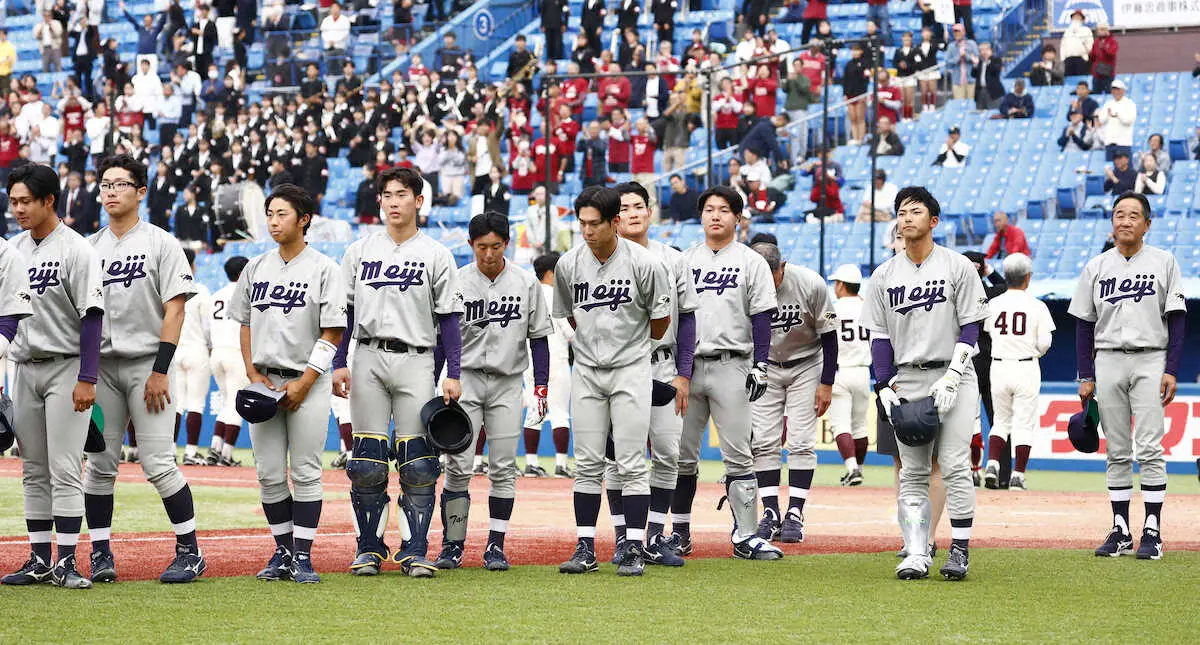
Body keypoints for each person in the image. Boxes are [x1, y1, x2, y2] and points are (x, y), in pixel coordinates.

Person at [81, 154, 204, 585]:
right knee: (99, 465)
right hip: (103, 368)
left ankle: (189, 551)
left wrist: (160, 370)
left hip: (146, 364)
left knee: (158, 463)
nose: (111, 191)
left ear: (141, 191)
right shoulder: (88, 246)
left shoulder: (161, 243)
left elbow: (175, 311)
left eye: (120, 183)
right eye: (105, 184)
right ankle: (99, 553)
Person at [335, 167, 463, 579]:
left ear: (418, 201)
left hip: (417, 359)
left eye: (401, 194)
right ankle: (368, 548)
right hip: (368, 355)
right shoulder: (358, 251)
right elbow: (345, 313)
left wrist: (452, 372)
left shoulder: (436, 254)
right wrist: (339, 362)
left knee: (420, 463)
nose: (393, 201)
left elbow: (449, 321)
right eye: (386, 194)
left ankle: (415, 550)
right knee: (366, 462)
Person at [862, 185, 987, 581]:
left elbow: (972, 325)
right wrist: (883, 384)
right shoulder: (883, 275)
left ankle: (961, 550)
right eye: (901, 212)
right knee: (913, 471)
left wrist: (953, 373)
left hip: (955, 374)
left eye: (915, 211)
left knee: (953, 464)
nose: (906, 218)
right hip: (908, 378)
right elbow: (879, 335)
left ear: (933, 221)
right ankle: (917, 551)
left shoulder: (957, 266)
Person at [229, 183, 345, 585]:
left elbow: (332, 332)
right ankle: (282, 551)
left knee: (307, 470)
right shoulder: (255, 267)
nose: (274, 221)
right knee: (269, 473)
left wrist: (306, 381)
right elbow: (244, 322)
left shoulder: (324, 269)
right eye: (270, 214)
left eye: (282, 214)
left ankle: (303, 556)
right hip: (264, 379)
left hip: (307, 380)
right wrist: (251, 372)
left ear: (304, 219)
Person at [552, 186, 671, 578]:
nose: (586, 231)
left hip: (632, 369)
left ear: (614, 222)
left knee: (632, 461)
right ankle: (585, 547)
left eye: (594, 223)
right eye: (581, 223)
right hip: (586, 369)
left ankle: (634, 547)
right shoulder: (569, 265)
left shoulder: (644, 262)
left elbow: (661, 321)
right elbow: (568, 316)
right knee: (586, 462)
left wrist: (628, 346)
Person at [433, 213, 552, 572]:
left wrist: (541, 384)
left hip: (506, 381)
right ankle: (453, 544)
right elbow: (443, 339)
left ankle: (496, 545)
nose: (488, 254)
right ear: (470, 245)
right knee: (457, 466)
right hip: (464, 379)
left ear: (507, 244)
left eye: (495, 246)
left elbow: (539, 340)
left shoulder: (526, 283)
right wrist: (435, 378)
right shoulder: (456, 280)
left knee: (502, 467)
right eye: (481, 246)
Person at [1069, 191, 1184, 561]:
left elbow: (1177, 319)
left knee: (1150, 446)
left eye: (1134, 215)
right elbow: (1084, 325)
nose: (1125, 220)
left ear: (1147, 224)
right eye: (1119, 214)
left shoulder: (1164, 261)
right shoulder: (1096, 266)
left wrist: (1171, 369)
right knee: (1117, 449)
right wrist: (1085, 375)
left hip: (1151, 357)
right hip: (1108, 360)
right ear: (1112, 221)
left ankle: (1152, 529)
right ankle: (1120, 528)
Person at [674, 186, 782, 562]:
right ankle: (680, 531)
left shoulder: (751, 261)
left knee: (739, 455)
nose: (715, 215)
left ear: (738, 217)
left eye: (723, 210)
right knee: (680, 456)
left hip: (732, 364)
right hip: (687, 367)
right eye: (708, 209)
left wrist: (761, 364)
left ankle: (746, 535)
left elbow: (762, 317)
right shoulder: (684, 260)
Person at [602, 182, 697, 567]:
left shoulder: (672, 259)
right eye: (624, 208)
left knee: (668, 452)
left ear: (650, 211)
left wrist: (684, 373)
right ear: (615, 217)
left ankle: (655, 535)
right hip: (618, 367)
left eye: (639, 206)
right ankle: (625, 537)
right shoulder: (602, 259)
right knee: (617, 457)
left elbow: (688, 318)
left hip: (661, 363)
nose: (633, 213)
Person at [747, 242, 837, 544]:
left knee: (800, 440)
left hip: (806, 363)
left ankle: (795, 512)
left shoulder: (810, 283)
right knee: (763, 441)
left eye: (770, 275)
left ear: (781, 266)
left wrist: (827, 382)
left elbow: (829, 335)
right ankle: (770, 512)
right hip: (766, 365)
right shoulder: (745, 282)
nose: (765, 282)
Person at [982, 253, 1053, 491]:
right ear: (1027, 278)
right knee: (1023, 424)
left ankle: (992, 464)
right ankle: (1017, 476)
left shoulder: (994, 304)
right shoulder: (1037, 306)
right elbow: (1045, 343)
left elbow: (989, 332)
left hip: (999, 364)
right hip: (1025, 365)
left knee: (1000, 421)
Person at [521, 252, 573, 479]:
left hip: (530, 359)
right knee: (560, 411)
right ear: (551, 273)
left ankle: (531, 463)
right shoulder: (557, 295)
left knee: (534, 410)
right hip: (557, 358)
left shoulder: (528, 293)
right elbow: (570, 333)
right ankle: (561, 464)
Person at [827, 264, 871, 486]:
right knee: (860, 425)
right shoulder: (868, 307)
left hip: (840, 371)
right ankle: (859, 469)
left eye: (836, 283)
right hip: (863, 371)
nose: (835, 287)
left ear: (842, 285)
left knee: (841, 425)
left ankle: (852, 468)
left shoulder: (832, 308)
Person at [205, 256, 249, 466]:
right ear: (242, 273)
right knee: (235, 402)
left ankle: (215, 447)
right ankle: (227, 453)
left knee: (226, 401)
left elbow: (207, 329)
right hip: (236, 352)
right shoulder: (246, 294)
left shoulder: (216, 295)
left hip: (217, 352)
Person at [175, 247, 212, 465]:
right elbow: (208, 328)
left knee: (177, 404)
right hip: (197, 349)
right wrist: (210, 346)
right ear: (193, 265)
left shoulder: (168, 287)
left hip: (175, 349)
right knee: (196, 404)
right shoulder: (202, 290)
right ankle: (190, 451)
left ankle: (169, 450)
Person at [1098, 80, 1136, 161]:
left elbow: (1129, 120)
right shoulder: (1108, 104)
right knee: (1111, 168)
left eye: (1118, 89)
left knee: (1124, 168)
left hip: (1123, 143)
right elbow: (1101, 120)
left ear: (1123, 90)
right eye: (1113, 90)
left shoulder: (1129, 104)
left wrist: (1118, 115)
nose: (1116, 92)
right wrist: (1108, 115)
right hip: (1110, 143)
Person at [842, 43, 871, 144]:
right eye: (853, 50)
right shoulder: (848, 64)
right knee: (853, 118)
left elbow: (866, 80)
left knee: (860, 118)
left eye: (857, 50)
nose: (855, 52)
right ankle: (855, 138)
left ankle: (861, 139)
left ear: (861, 51)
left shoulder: (865, 63)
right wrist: (845, 94)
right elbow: (845, 80)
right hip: (850, 94)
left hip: (860, 94)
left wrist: (864, 94)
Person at [943, 24, 979, 101]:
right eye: (955, 32)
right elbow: (947, 62)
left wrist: (966, 56)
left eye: (958, 32)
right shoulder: (951, 46)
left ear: (964, 32)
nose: (957, 34)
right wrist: (958, 58)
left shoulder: (972, 44)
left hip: (971, 80)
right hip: (957, 81)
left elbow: (977, 60)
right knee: (959, 104)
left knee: (971, 104)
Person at [916, 26, 942, 113]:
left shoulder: (934, 43)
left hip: (932, 69)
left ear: (930, 34)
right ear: (921, 34)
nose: (926, 34)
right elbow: (916, 59)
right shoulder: (918, 46)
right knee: (923, 90)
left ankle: (932, 105)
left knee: (932, 89)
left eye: (928, 32)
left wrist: (945, 38)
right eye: (924, 32)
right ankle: (924, 106)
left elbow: (943, 46)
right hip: (922, 70)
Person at [1061, 10, 1093, 77]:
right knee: (1068, 79)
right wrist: (1063, 58)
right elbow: (1063, 45)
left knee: (1081, 79)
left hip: (1081, 59)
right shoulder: (1067, 31)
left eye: (1078, 17)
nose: (1076, 19)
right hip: (1068, 60)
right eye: (1074, 17)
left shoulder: (1086, 30)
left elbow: (1090, 45)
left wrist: (1085, 56)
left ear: (1082, 19)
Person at [973, 42, 1004, 111]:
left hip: (993, 92)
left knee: (993, 113)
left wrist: (988, 61)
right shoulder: (979, 62)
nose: (983, 52)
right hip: (980, 92)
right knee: (980, 113)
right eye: (981, 50)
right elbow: (973, 75)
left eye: (985, 50)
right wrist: (975, 65)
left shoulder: (996, 60)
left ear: (990, 50)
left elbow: (996, 70)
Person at [1090, 23, 1118, 94]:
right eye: (1099, 30)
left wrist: (1104, 47)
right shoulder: (1096, 42)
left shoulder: (1113, 41)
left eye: (1102, 29)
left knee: (1109, 93)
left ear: (1107, 30)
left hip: (1108, 74)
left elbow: (1111, 53)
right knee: (1096, 93)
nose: (1100, 31)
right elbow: (1092, 57)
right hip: (1097, 74)